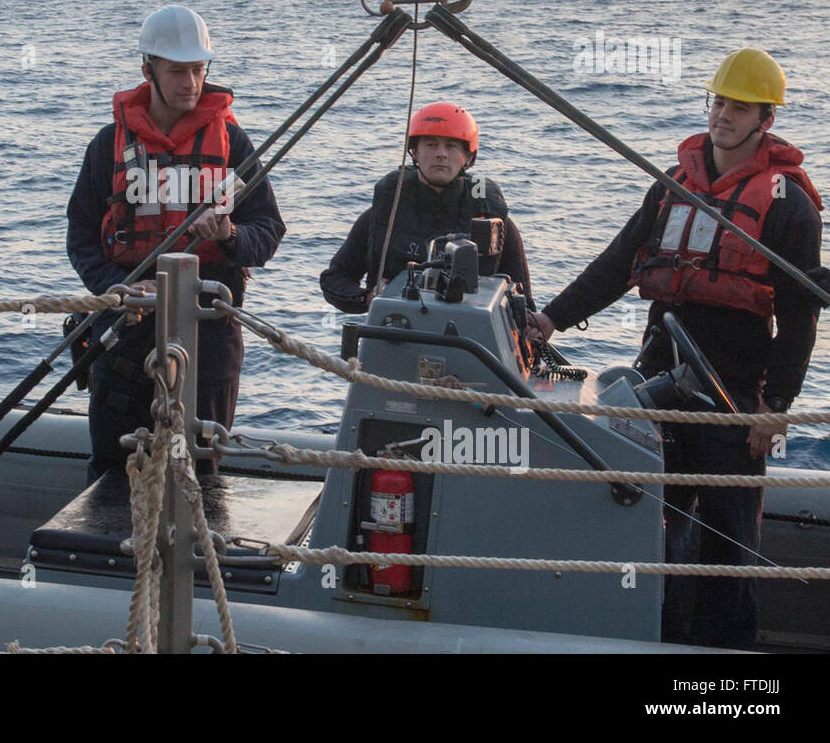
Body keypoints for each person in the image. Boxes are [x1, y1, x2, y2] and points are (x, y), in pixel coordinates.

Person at [528, 49, 823, 648]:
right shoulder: (672, 185)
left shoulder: (787, 203)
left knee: (727, 546)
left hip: (734, 390)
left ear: (765, 119)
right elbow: (618, 263)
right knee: (653, 531)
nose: (724, 116)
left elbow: (798, 316)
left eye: (739, 108)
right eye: (719, 103)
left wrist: (776, 406)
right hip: (661, 373)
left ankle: (725, 674)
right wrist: (551, 318)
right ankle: (657, 648)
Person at [67, 5, 286, 480]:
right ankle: (118, 552)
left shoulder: (234, 145)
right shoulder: (108, 146)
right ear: (148, 71)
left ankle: (195, 549)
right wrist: (115, 286)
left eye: (198, 70)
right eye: (177, 71)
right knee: (113, 464)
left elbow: (268, 232)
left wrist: (229, 236)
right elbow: (81, 234)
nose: (191, 83)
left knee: (199, 469)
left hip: (208, 330)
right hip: (125, 329)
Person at [320, 101, 533, 313]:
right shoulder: (386, 212)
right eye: (431, 145)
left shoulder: (490, 218)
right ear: (415, 152)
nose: (441, 153)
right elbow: (334, 278)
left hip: (471, 337)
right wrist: (367, 298)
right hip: (394, 331)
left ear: (467, 156)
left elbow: (523, 301)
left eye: (451, 145)